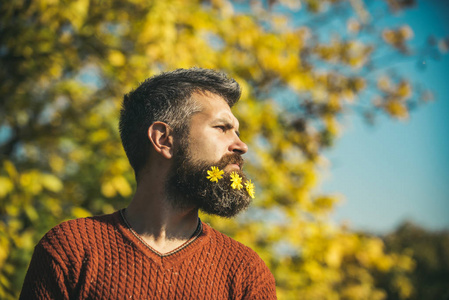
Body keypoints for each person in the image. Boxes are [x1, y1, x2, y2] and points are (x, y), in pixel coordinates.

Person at [19, 68, 277, 299]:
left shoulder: (246, 272)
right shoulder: (70, 250)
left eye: (237, 132)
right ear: (163, 140)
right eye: (222, 127)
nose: (241, 146)